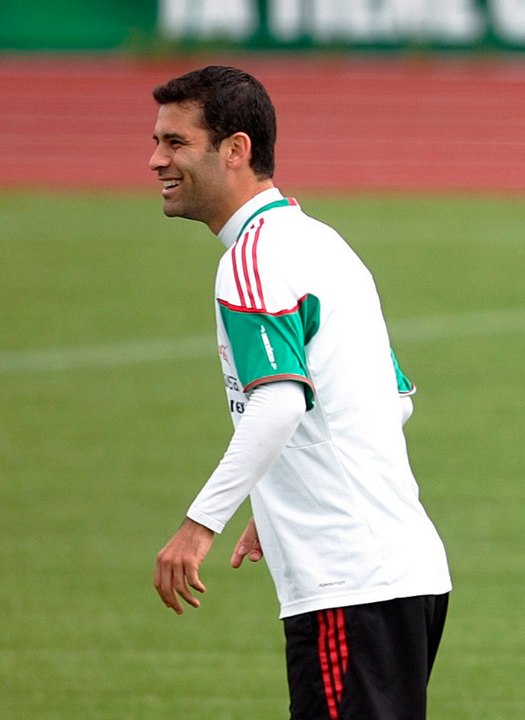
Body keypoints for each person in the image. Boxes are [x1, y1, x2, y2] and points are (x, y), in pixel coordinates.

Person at [149, 65, 451, 719]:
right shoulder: (323, 244)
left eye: (175, 142)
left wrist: (199, 527)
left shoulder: (252, 258)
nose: (155, 160)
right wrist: (282, 483)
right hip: (410, 575)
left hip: (347, 583)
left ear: (235, 150)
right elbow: (392, 398)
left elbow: (281, 399)